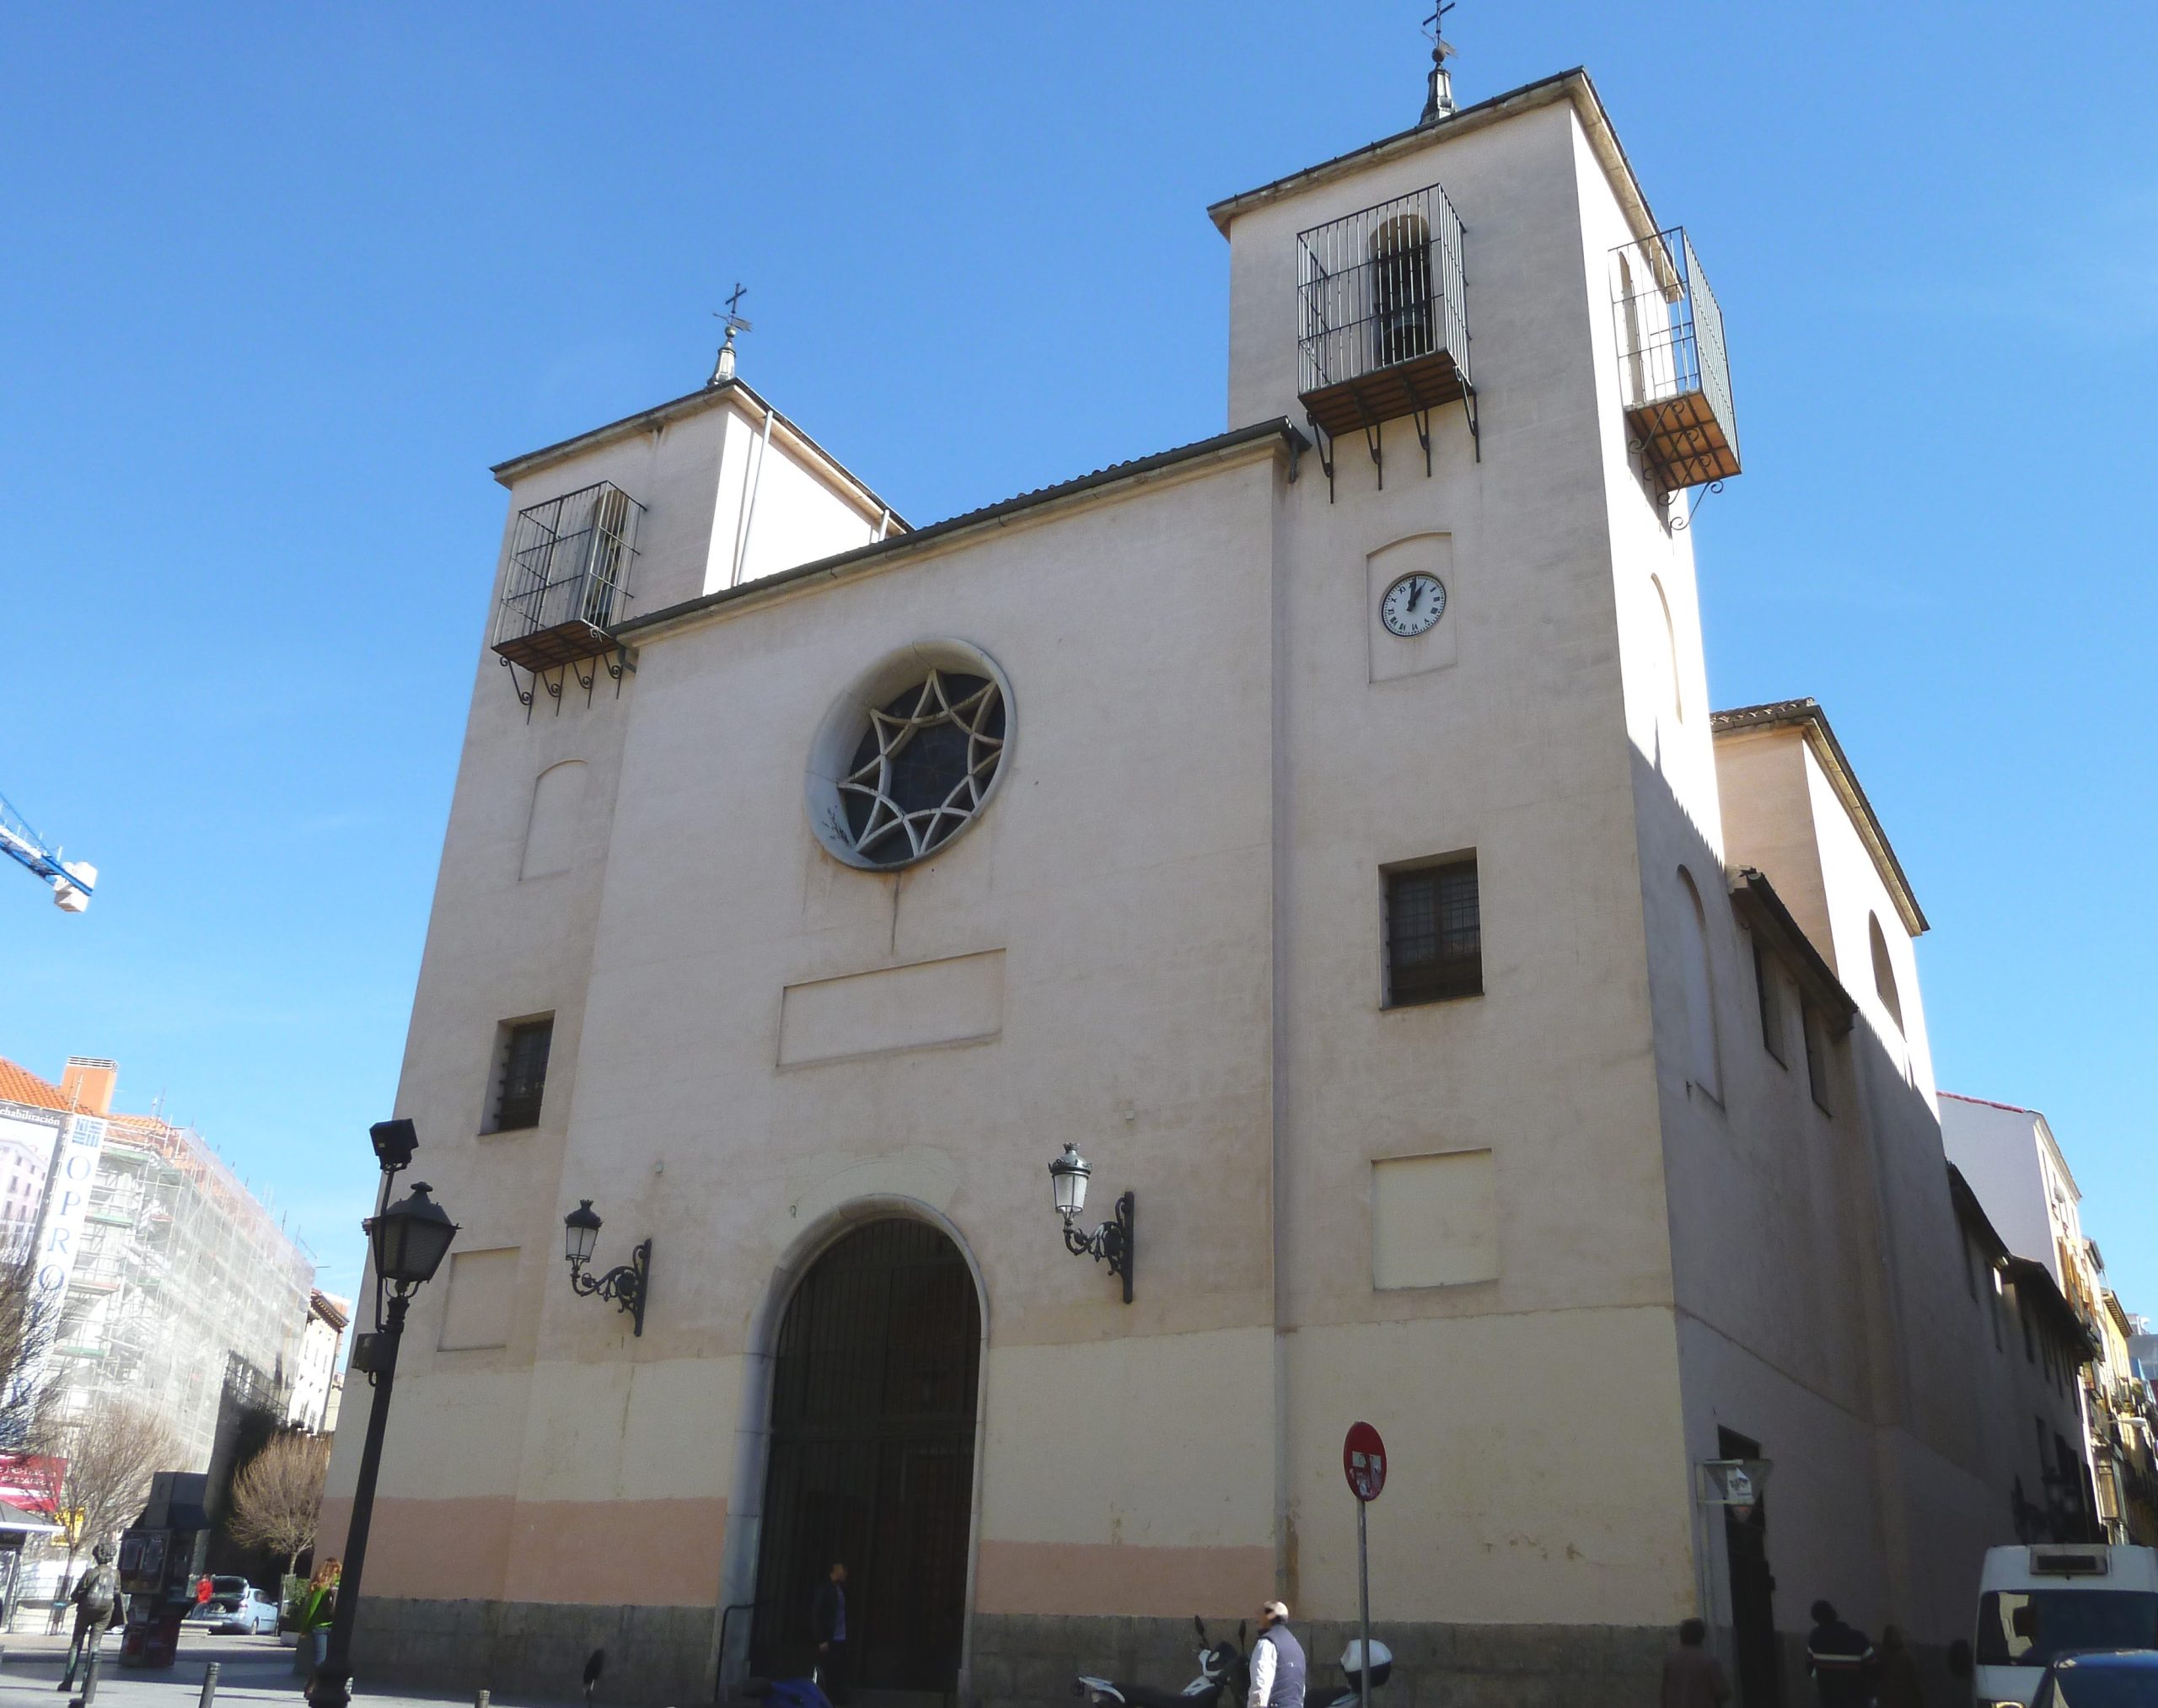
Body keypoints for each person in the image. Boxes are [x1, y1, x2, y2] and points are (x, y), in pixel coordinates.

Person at [56, 1544, 121, 1693]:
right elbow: (117, 1591)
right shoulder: (115, 1574)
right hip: (105, 1611)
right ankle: (87, 1683)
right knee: (95, 1644)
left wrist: (72, 1600)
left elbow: (78, 1592)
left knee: (76, 1644)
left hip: (87, 1609)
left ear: (96, 1556)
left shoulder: (91, 1573)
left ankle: (68, 1681)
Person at [1806, 1600, 1876, 1708]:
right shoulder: (1858, 1638)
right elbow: (1873, 1669)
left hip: (1829, 1700)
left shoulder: (1815, 1638)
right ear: (1834, 1614)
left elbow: (1810, 1669)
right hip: (1857, 1700)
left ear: (1816, 1618)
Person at [1247, 1599, 1306, 1708]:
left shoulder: (1267, 1643)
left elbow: (1260, 1683)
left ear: (1268, 1618)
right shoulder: (1296, 1646)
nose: (1256, 1621)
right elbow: (1301, 1689)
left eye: (1260, 1616)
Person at [1661, 1619, 1731, 1708]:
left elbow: (1664, 1695)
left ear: (1681, 1636)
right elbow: (1723, 1692)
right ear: (1701, 1636)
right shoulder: (1709, 1661)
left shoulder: (1670, 1661)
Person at [296, 1558, 341, 1689]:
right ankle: (314, 1685)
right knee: (328, 1660)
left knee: (320, 1659)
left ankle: (313, 1685)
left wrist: (304, 1629)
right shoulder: (340, 1586)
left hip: (319, 1627)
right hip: (334, 1626)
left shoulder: (320, 1586)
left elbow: (311, 1609)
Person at [810, 1562, 850, 1705]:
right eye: (844, 1570)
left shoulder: (841, 1589)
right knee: (828, 1673)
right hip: (830, 1638)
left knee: (838, 1673)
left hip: (840, 1638)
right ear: (836, 1570)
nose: (846, 1573)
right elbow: (816, 1614)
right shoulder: (825, 1589)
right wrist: (820, 1639)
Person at [1874, 1625, 1924, 1708]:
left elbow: (1874, 1679)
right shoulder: (1907, 1656)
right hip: (1905, 1701)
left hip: (1885, 1700)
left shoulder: (1879, 1655)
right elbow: (1915, 1681)